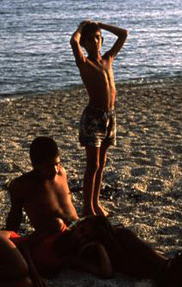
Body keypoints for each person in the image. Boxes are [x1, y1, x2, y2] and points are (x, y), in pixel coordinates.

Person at [7, 136, 182, 287]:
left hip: (81, 225)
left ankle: (165, 266)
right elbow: (14, 220)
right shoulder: (22, 186)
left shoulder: (61, 173)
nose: (55, 169)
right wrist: (6, 244)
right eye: (49, 166)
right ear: (35, 165)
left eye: (57, 163)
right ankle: (164, 270)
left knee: (120, 235)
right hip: (61, 236)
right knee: (114, 252)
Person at [71, 20, 128, 217]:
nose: (96, 42)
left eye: (98, 38)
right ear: (85, 43)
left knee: (102, 164)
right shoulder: (84, 63)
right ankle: (87, 207)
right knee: (93, 164)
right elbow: (73, 42)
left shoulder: (108, 59)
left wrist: (101, 26)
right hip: (93, 117)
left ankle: (96, 204)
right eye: (91, 39)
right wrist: (81, 27)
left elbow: (123, 34)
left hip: (110, 116)